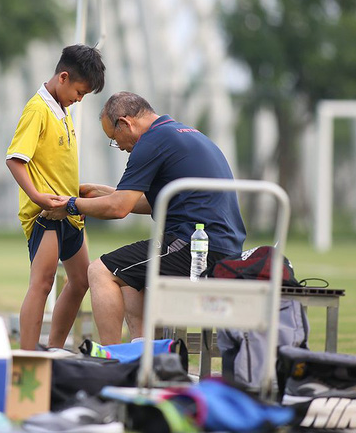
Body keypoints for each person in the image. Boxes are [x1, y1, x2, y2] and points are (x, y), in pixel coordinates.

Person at [43, 92, 246, 345]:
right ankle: (141, 355)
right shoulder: (181, 133)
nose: (120, 147)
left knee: (100, 271)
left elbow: (119, 209)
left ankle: (113, 360)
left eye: (114, 139)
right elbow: (150, 201)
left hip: (196, 247)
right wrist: (104, 193)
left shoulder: (151, 142)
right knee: (129, 277)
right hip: (223, 247)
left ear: (125, 123)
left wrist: (70, 205)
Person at [5, 44, 105, 350]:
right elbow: (15, 159)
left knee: (81, 281)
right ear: (63, 77)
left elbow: (56, 162)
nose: (79, 99)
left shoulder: (62, 109)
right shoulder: (37, 109)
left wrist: (76, 195)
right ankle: (28, 359)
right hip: (46, 215)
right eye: (79, 92)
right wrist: (37, 196)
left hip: (70, 212)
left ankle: (53, 349)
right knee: (43, 284)